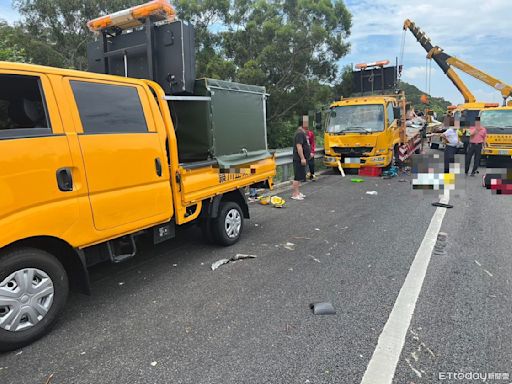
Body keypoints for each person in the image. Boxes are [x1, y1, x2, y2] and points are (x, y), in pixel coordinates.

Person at [292, 119, 310, 200]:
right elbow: (299, 146)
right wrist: (302, 158)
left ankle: (298, 192)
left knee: (300, 176)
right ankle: (295, 194)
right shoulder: (299, 133)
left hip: (301, 158)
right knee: (297, 176)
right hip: (298, 159)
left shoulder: (301, 133)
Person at [303, 117, 316, 181]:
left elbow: (312, 143)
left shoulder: (311, 134)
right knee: (303, 165)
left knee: (311, 164)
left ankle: (312, 175)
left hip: (309, 151)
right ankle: (303, 177)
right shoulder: (300, 134)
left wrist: (312, 152)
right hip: (302, 151)